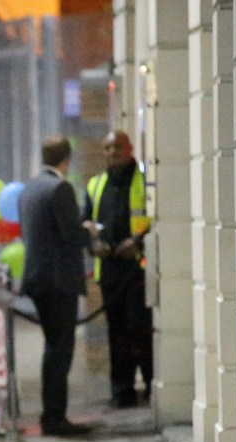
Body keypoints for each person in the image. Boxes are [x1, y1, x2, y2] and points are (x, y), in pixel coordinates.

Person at [19, 135, 100, 437]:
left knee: (53, 347)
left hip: (38, 280)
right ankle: (54, 417)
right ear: (66, 160)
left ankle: (52, 415)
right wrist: (88, 229)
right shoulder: (60, 188)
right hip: (58, 282)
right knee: (59, 351)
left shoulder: (30, 188)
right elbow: (71, 235)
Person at [81, 130, 153, 408]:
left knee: (141, 330)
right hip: (110, 271)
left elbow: (156, 221)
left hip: (138, 269)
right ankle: (121, 392)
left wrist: (137, 242)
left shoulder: (144, 181)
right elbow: (84, 222)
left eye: (117, 146)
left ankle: (150, 385)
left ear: (129, 148)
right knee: (117, 333)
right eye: (107, 147)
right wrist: (93, 243)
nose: (112, 152)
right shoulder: (95, 185)